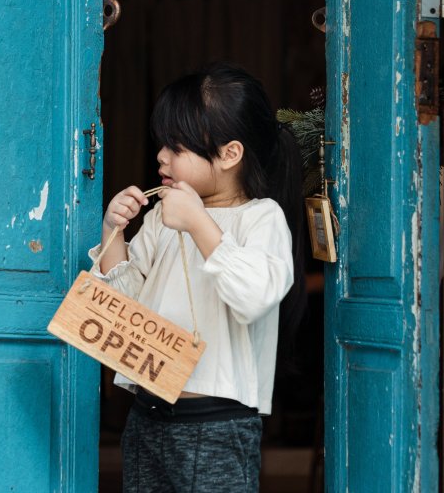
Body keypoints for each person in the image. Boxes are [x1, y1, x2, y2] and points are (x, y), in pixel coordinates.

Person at [90, 61, 305, 492]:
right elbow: (122, 303)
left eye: (177, 147)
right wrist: (114, 231)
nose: (161, 157)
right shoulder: (162, 216)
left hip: (215, 425)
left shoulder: (261, 218)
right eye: (161, 144)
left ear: (230, 154)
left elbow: (254, 296)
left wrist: (198, 224)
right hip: (146, 415)